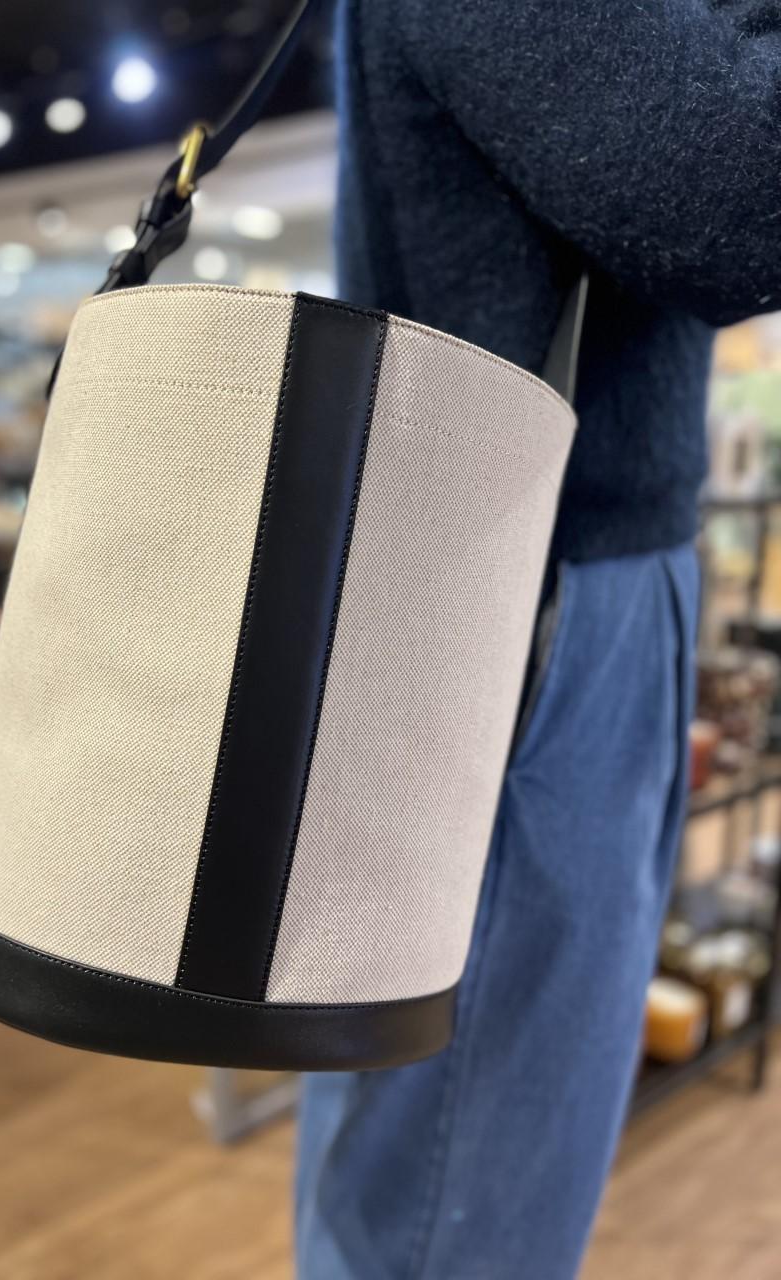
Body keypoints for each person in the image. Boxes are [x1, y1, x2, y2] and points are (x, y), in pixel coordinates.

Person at [295, 2, 781, 1275]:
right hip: (535, 588)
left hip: (529, 575)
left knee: (433, 1143)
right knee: (461, 1187)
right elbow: (739, 189)